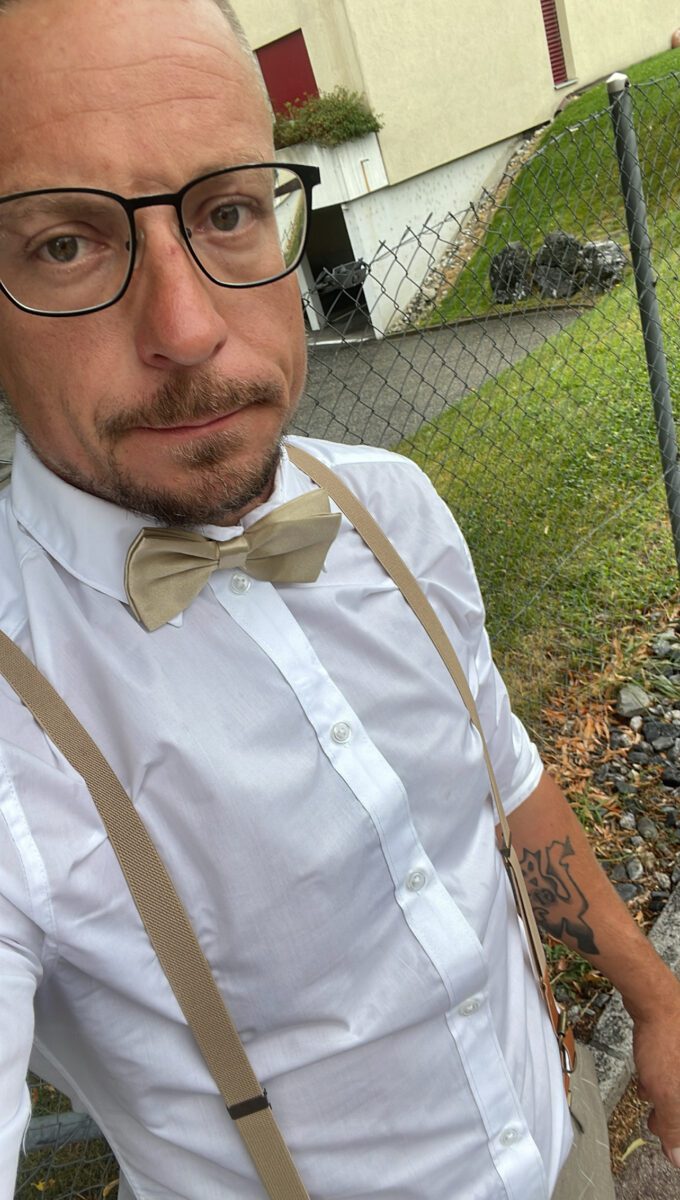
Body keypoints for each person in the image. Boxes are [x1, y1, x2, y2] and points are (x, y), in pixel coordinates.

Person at [0, 1, 678, 1197]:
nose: (188, 328)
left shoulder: (391, 507)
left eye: (226, 211)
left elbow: (498, 772)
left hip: (561, 1138)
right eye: (66, 243)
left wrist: (652, 997)